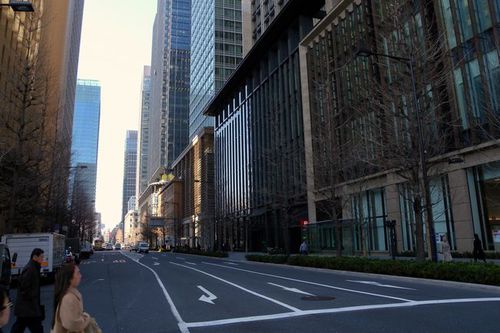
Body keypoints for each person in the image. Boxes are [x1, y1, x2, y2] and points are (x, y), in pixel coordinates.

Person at [52, 263, 100, 333]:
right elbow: (72, 324)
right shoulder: (68, 298)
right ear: (69, 279)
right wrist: (86, 317)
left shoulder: (70, 294)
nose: (80, 276)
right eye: (77, 273)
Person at [11, 248, 45, 333]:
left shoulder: (34, 267)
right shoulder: (30, 269)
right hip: (28, 308)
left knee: (19, 327)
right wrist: (32, 297)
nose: (42, 259)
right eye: (41, 257)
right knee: (37, 329)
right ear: (35, 257)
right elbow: (24, 287)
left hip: (28, 308)